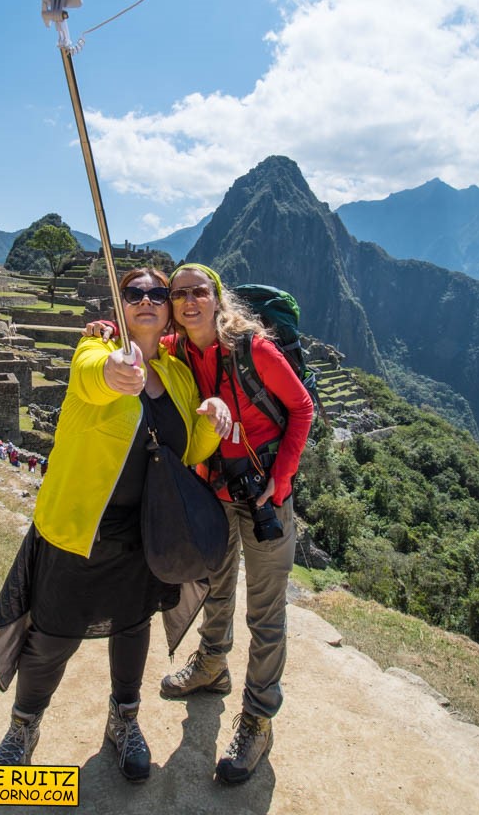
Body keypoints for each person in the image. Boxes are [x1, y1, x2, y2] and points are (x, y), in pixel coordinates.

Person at [0, 268, 231, 781]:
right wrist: (113, 372)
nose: (146, 300)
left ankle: (125, 719)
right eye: (133, 292)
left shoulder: (178, 375)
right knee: (51, 637)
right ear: (119, 305)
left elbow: (189, 451)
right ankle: (24, 727)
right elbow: (92, 380)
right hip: (81, 528)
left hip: (145, 535)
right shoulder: (96, 352)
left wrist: (212, 418)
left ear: (167, 311)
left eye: (157, 294)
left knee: (132, 628)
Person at [88, 262, 313, 784]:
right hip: (215, 487)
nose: (187, 300)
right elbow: (136, 340)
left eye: (198, 292)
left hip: (262, 494)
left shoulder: (253, 349)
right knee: (213, 582)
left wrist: (280, 483)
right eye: (178, 293)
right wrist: (104, 330)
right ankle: (213, 664)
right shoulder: (179, 347)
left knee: (266, 609)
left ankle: (258, 717)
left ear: (217, 299)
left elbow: (301, 408)